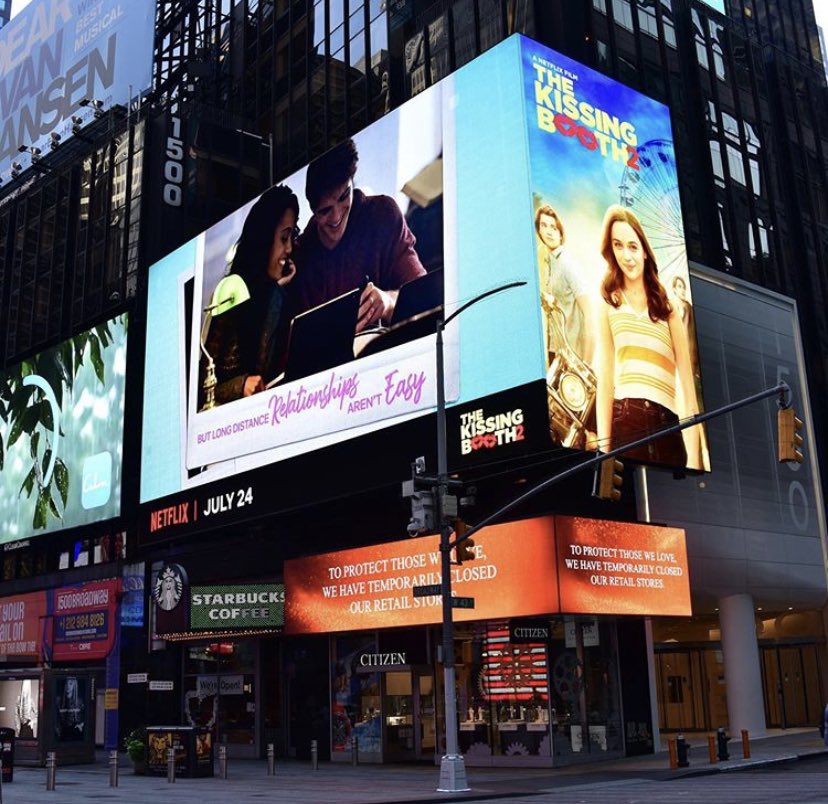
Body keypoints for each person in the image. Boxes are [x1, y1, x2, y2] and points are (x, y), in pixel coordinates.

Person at [594, 205, 700, 468]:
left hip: (667, 423)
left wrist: (696, 460)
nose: (626, 255)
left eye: (633, 246)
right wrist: (603, 454)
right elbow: (605, 381)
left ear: (644, 250)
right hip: (625, 419)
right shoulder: (609, 305)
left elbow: (687, 389)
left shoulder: (668, 309)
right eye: (618, 245)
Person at [290, 138, 426, 333]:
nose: (336, 217)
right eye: (325, 210)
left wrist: (387, 302)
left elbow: (423, 297)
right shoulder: (301, 254)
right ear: (313, 210)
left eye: (344, 196)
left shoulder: (382, 215)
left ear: (353, 182)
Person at [202, 184, 299, 404]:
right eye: (284, 238)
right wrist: (241, 385)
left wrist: (275, 291)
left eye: (292, 237)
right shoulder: (231, 292)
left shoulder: (277, 294)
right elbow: (201, 389)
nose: (289, 249)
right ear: (264, 239)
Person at [535, 204, 594, 365]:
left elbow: (589, 314)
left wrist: (587, 366)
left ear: (561, 233)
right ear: (539, 230)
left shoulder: (569, 264)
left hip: (573, 354)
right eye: (544, 226)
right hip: (556, 348)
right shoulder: (549, 263)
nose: (549, 231)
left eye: (554, 227)